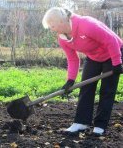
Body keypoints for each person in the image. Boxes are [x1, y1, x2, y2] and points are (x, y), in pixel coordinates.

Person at [42, 7, 123, 136]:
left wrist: (117, 63)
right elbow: (73, 59)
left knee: (107, 90)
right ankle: (81, 122)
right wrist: (71, 79)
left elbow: (111, 40)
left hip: (113, 53)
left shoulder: (86, 25)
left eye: (52, 26)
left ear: (61, 22)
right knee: (86, 87)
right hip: (93, 57)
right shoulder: (62, 38)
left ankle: (100, 125)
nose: (52, 29)